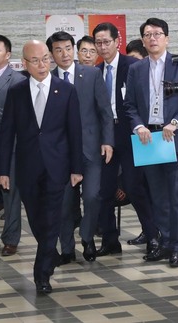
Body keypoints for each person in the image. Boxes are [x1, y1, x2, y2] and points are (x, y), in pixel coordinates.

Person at [0, 40, 82, 294]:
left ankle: (41, 273)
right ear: (24, 64)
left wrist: (77, 167)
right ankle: (49, 252)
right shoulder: (16, 92)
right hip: (28, 167)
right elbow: (7, 133)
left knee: (53, 218)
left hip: (58, 166)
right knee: (36, 219)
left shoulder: (66, 90)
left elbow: (74, 132)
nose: (42, 64)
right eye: (35, 60)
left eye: (46, 58)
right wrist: (2, 169)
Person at [125, 17, 178, 268]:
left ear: (167, 37)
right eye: (147, 35)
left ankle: (177, 247)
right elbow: (130, 105)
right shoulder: (136, 69)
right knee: (157, 196)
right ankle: (165, 242)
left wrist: (174, 123)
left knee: (176, 196)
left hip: (174, 137)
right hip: (149, 139)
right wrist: (139, 125)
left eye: (157, 34)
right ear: (143, 40)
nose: (152, 38)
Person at [47, 31, 114, 265]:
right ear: (52, 53)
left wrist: (107, 141)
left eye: (68, 48)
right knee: (64, 204)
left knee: (93, 196)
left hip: (90, 148)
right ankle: (66, 249)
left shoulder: (91, 74)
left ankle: (87, 237)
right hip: (61, 154)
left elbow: (105, 112)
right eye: (58, 49)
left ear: (74, 49)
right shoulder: (47, 78)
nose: (64, 54)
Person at [93, 22, 159, 256]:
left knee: (134, 187)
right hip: (107, 137)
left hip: (132, 134)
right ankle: (111, 241)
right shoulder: (95, 72)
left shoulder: (134, 66)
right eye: (98, 43)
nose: (102, 47)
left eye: (106, 42)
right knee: (105, 189)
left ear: (117, 41)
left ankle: (153, 237)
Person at [0, 34, 25, 256]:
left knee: (10, 195)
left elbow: (14, 111)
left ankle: (11, 239)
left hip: (6, 146)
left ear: (8, 54)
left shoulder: (17, 79)